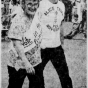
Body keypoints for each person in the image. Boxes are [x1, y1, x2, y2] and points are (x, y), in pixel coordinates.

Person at [30, 0, 73, 88]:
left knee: (65, 76)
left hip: (56, 47)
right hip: (42, 47)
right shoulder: (41, 4)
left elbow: (60, 25)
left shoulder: (61, 5)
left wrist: (62, 43)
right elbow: (33, 25)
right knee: (36, 78)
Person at [7, 0, 44, 88]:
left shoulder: (37, 16)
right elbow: (17, 44)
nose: (33, 7)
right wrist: (26, 63)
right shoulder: (18, 19)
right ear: (23, 4)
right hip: (18, 63)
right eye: (30, 4)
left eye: (35, 4)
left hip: (35, 60)